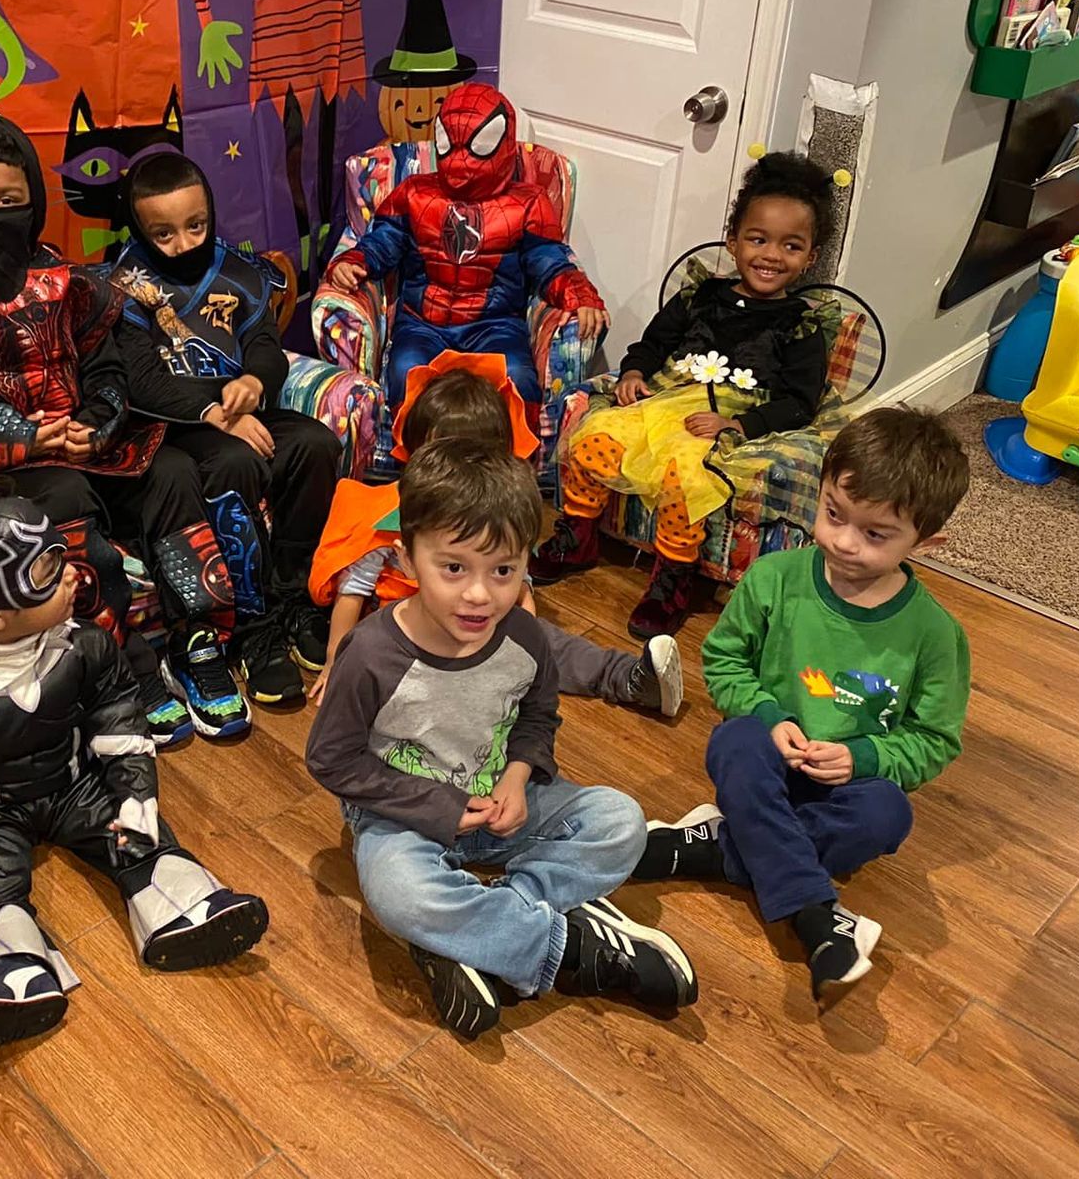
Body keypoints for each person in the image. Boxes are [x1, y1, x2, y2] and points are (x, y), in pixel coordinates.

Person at [0, 111, 248, 745]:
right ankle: (127, 665)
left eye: (6, 199)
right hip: (20, 467)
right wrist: (23, 441)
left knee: (172, 471)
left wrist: (96, 422)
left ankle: (197, 639)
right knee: (62, 502)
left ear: (32, 202)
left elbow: (107, 368)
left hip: (99, 449)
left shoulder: (68, 282)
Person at [305, 440, 696, 1039]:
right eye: (454, 567)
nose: (480, 594)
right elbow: (331, 759)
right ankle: (568, 950)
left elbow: (538, 718)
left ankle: (477, 933)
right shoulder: (372, 654)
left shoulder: (526, 637)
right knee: (397, 893)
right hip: (401, 817)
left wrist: (518, 775)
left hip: (501, 804)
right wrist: (438, 806)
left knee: (621, 823)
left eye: (504, 571)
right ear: (407, 559)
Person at [0, 477, 269, 1046]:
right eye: (43, 573)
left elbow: (117, 714)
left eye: (59, 556)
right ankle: (10, 966)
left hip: (72, 779)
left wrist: (134, 791)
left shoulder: (83, 644)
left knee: (136, 831)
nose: (71, 577)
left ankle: (178, 895)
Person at [638, 407, 970, 1000]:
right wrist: (769, 717)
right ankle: (817, 915)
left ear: (928, 541)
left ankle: (719, 846)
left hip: (844, 787)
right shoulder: (774, 577)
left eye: (875, 534)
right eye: (833, 514)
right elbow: (723, 662)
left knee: (889, 816)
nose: (843, 542)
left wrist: (864, 758)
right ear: (820, 493)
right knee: (734, 740)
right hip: (763, 761)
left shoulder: (935, 635)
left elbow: (934, 740)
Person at [532, 152, 837, 639]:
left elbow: (800, 402)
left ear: (810, 256)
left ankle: (673, 578)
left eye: (791, 246)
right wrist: (633, 372)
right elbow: (652, 344)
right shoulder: (699, 295)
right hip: (668, 399)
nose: (771, 256)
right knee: (597, 434)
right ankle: (577, 536)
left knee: (687, 473)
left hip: (730, 416)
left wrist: (736, 427)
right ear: (734, 241)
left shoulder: (801, 324)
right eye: (758, 239)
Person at [307, 351, 681, 717]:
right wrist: (335, 663)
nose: (460, 474)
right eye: (445, 455)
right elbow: (352, 594)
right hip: (412, 632)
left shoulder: (498, 509)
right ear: (418, 450)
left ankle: (629, 678)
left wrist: (526, 620)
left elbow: (518, 575)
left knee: (550, 643)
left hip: (482, 620)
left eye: (477, 458)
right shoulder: (390, 512)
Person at [109, 152, 342, 705]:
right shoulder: (124, 284)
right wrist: (214, 411)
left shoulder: (240, 272)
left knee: (315, 444)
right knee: (233, 462)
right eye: (162, 233)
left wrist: (257, 385)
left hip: (240, 415)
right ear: (139, 229)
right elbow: (138, 380)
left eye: (196, 225)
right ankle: (251, 627)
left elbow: (265, 346)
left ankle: (294, 597)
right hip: (170, 429)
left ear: (210, 212)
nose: (183, 243)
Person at [324, 84, 607, 418]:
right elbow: (383, 241)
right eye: (450, 145)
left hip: (497, 326)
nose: (461, 160)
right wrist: (354, 260)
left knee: (519, 383)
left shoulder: (529, 202)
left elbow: (549, 260)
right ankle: (420, 467)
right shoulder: (413, 193)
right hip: (421, 324)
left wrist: (579, 293)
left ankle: (508, 469)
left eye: (478, 146)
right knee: (404, 377)